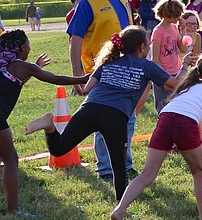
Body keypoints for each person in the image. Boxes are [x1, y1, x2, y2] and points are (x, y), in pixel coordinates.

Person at [26, 26, 179, 203]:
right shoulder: (147, 66)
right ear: (142, 47)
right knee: (119, 166)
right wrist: (191, 73)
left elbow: (86, 89)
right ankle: (121, 205)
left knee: (59, 149)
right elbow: (174, 84)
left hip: (89, 109)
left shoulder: (107, 63)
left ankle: (49, 126)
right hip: (115, 116)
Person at [108, 51, 202, 220]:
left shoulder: (189, 86)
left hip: (165, 118)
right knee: (199, 172)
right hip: (185, 123)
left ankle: (120, 210)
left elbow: (197, 121)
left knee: (147, 173)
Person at [0, 30, 88, 215]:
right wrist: (84, 78)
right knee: (10, 160)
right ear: (22, 48)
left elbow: (11, 84)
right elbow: (57, 79)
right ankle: (13, 210)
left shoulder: (9, 68)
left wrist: (34, 69)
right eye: (28, 44)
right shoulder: (23, 67)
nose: (30, 48)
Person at [67, 0, 135, 184]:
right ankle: (106, 168)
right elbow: (75, 40)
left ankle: (125, 163)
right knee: (104, 117)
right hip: (101, 70)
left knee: (128, 117)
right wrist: (77, 76)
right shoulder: (87, 2)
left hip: (128, 67)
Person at [149, 0, 191, 115]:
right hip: (163, 74)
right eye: (176, 15)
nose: (178, 18)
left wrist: (182, 30)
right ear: (167, 14)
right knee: (164, 108)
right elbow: (155, 60)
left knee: (177, 105)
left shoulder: (173, 28)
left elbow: (183, 48)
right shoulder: (158, 32)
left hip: (176, 72)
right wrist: (165, 79)